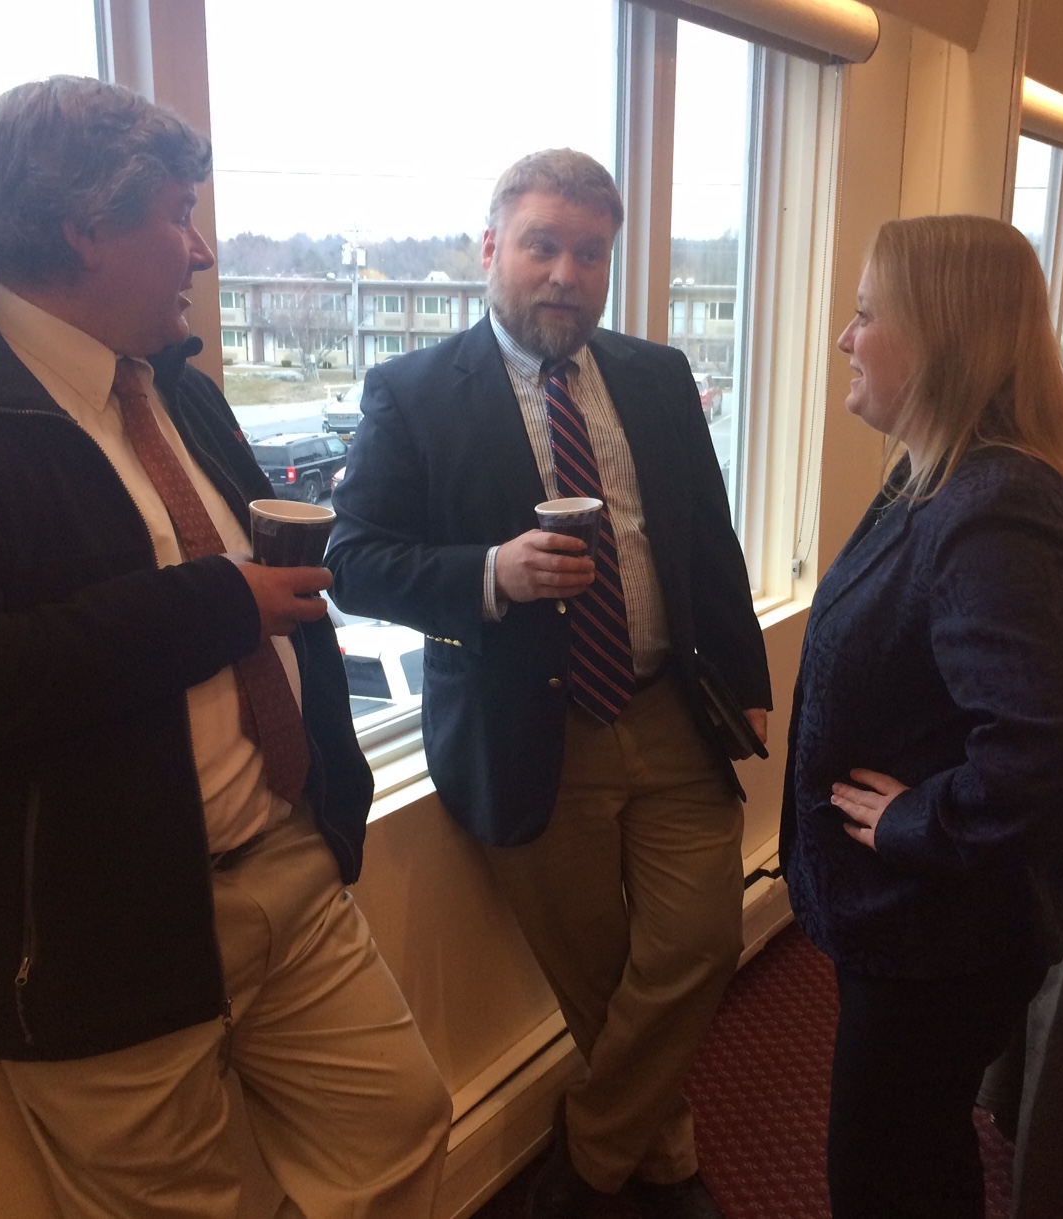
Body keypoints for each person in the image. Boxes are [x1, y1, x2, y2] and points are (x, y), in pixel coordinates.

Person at [0, 76, 450, 1219]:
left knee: (400, 1129)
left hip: (287, 872)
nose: (200, 249)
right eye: (178, 215)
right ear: (85, 226)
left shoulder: (175, 389)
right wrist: (213, 605)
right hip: (90, 939)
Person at [326, 148, 771, 1219]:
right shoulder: (414, 393)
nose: (567, 274)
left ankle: (586, 1162)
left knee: (700, 941)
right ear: (492, 248)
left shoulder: (656, 376)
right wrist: (490, 572)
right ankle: (662, 1162)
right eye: (543, 246)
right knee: (599, 973)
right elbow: (352, 558)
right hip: (530, 733)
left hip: (669, 712)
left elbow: (707, 537)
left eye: (590, 252)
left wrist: (746, 675)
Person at [780, 213, 1063, 1219]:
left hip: (941, 931)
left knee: (886, 1178)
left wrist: (916, 821)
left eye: (866, 314)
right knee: (919, 1156)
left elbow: (1052, 749)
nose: (846, 338)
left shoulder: (990, 506)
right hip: (919, 922)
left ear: (938, 338)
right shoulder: (937, 474)